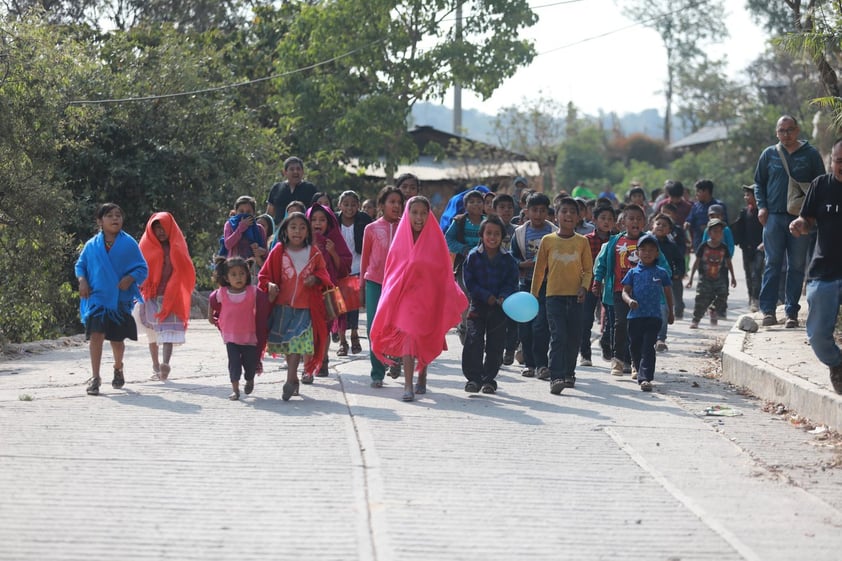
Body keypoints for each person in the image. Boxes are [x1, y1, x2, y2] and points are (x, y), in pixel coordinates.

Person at [370, 196, 467, 401]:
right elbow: (392, 271)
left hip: (428, 297)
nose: (419, 217)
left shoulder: (436, 239)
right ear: (407, 213)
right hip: (405, 298)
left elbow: (443, 271)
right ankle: (408, 385)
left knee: (423, 336)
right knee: (409, 335)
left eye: (423, 213)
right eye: (414, 212)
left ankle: (422, 375)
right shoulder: (400, 240)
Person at [754, 115, 826, 328]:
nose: (786, 134)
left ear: (797, 130)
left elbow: (820, 184)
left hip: (800, 218)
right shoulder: (769, 154)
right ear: (777, 133)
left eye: (790, 130)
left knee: (796, 265)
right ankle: (767, 310)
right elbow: (758, 183)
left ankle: (792, 312)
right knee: (772, 263)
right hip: (774, 217)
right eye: (781, 130)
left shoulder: (811, 154)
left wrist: (812, 215)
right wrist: (762, 206)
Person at [75, 203, 148, 396]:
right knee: (96, 336)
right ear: (100, 221)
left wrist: (130, 278)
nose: (115, 219)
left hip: (119, 300)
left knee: (116, 340)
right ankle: (95, 377)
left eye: (118, 215)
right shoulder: (91, 245)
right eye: (110, 216)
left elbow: (142, 268)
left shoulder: (129, 243)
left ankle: (118, 367)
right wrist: (82, 281)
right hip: (97, 299)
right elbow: (80, 266)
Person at [258, 212, 332, 400]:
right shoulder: (278, 251)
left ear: (308, 231)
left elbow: (324, 274)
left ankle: (290, 380)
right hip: (282, 307)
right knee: (285, 343)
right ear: (285, 230)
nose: (297, 231)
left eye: (302, 227)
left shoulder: (314, 253)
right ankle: (295, 381)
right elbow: (264, 275)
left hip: (306, 308)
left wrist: (315, 278)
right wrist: (270, 286)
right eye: (293, 227)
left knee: (294, 344)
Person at [789, 138, 842, 393]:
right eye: (838, 160)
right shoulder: (821, 185)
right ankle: (837, 363)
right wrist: (801, 225)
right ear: (831, 161)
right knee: (818, 337)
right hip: (825, 270)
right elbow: (807, 219)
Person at [593, 204, 671, 376]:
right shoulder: (614, 242)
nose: (635, 221)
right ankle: (618, 360)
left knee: (638, 329)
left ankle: (636, 363)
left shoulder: (650, 242)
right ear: (622, 223)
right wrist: (597, 281)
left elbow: (663, 265)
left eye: (639, 219)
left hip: (644, 294)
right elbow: (602, 264)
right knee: (620, 325)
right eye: (631, 218)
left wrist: (664, 279)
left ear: (644, 222)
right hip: (620, 291)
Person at [531, 197, 593, 394]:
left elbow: (588, 270)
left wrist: (584, 287)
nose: (568, 215)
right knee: (558, 336)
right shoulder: (547, 241)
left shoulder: (582, 242)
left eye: (572, 212)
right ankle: (556, 376)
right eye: (564, 211)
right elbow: (539, 270)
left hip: (576, 298)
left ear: (578, 217)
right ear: (556, 216)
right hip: (553, 297)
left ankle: (569, 373)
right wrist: (533, 295)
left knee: (573, 337)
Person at [135, 212, 196, 381]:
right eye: (157, 229)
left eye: (164, 228)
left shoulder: (177, 246)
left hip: (172, 296)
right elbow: (139, 269)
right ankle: (156, 366)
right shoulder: (145, 246)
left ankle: (165, 364)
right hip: (152, 295)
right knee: (152, 333)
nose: (161, 232)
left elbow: (185, 267)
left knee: (169, 330)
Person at [461, 216, 519, 394]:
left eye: (496, 234)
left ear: (503, 237)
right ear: (481, 235)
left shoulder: (508, 260)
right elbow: (469, 283)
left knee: (496, 344)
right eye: (488, 233)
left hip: (500, 309)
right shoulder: (473, 257)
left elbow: (511, 282)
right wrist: (487, 297)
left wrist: (502, 296)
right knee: (473, 340)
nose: (492, 237)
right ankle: (473, 378)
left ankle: (488, 379)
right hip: (478, 306)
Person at [360, 186, 405, 387]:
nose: (396, 206)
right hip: (374, 283)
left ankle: (395, 359)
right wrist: (362, 285)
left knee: (396, 325)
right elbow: (365, 259)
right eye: (391, 202)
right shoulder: (371, 229)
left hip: (398, 284)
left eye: (399, 202)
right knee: (373, 328)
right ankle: (377, 372)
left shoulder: (406, 228)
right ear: (382, 205)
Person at [208, 257, 271, 400]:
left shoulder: (252, 291)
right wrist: (210, 317)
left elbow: (265, 301)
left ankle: (250, 379)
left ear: (247, 275)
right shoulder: (222, 292)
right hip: (231, 337)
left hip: (249, 337)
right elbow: (212, 300)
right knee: (234, 363)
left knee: (250, 364)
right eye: (234, 274)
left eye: (242, 273)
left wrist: (272, 291)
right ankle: (235, 390)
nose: (238, 277)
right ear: (226, 277)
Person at [511, 193, 557, 379]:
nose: (538, 214)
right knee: (525, 325)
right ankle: (529, 363)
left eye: (542, 211)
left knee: (541, 325)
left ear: (548, 212)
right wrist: (522, 265)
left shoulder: (554, 232)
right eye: (534, 210)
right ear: (527, 211)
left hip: (547, 284)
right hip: (526, 284)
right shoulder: (520, 233)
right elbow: (512, 257)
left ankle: (541, 364)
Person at [621, 234, 674, 392]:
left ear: (657, 253)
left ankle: (645, 378)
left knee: (647, 347)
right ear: (637, 253)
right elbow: (624, 291)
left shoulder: (661, 273)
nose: (647, 253)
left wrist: (671, 312)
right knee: (635, 346)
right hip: (635, 317)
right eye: (643, 249)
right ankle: (638, 369)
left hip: (653, 317)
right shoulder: (632, 273)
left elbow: (668, 293)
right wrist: (629, 301)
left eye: (651, 250)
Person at [307, 203, 352, 375]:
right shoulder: (303, 240)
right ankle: (311, 360)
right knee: (309, 327)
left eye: (322, 220)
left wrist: (333, 252)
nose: (318, 223)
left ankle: (323, 359)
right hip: (308, 290)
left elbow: (344, 268)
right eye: (314, 220)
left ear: (329, 222)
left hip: (329, 290)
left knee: (325, 327)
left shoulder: (334, 239)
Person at [336, 190, 372, 356]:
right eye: (346, 204)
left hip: (357, 267)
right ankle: (342, 340)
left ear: (358, 206)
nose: (349, 208)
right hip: (339, 268)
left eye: (353, 204)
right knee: (340, 307)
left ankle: (355, 335)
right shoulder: (334, 221)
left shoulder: (363, 220)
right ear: (340, 205)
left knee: (354, 306)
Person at [686, 219, 737, 329]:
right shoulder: (704, 246)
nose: (718, 234)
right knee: (701, 299)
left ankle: (713, 309)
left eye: (720, 231)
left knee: (723, 294)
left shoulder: (724, 247)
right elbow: (696, 262)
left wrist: (733, 277)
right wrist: (691, 279)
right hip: (704, 278)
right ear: (709, 233)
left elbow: (728, 262)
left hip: (718, 277)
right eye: (715, 231)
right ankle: (696, 320)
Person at [581, 205, 615, 366]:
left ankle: (606, 343)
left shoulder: (616, 240)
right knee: (586, 319)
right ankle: (585, 354)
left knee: (611, 318)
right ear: (594, 220)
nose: (606, 222)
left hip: (610, 285)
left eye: (610, 219)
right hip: (589, 284)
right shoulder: (586, 240)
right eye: (603, 218)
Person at [650, 214, 683, 352]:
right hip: (646, 282)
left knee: (664, 310)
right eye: (658, 224)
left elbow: (680, 260)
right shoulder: (645, 242)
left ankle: (661, 338)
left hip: (664, 283)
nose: (660, 227)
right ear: (652, 226)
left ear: (669, 230)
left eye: (664, 225)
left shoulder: (671, 246)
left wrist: (678, 273)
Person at [492, 194, 519, 365]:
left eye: (509, 207)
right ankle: (495, 349)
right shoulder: (488, 229)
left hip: (512, 280)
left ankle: (510, 350)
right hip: (492, 280)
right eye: (502, 207)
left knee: (512, 316)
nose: (506, 210)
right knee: (494, 318)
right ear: (494, 210)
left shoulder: (518, 231)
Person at [732, 185, 765, 312]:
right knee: (748, 275)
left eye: (748, 195)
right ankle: (751, 297)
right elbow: (738, 229)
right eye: (745, 195)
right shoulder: (745, 212)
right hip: (747, 249)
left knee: (756, 273)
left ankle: (756, 299)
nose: (746, 197)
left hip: (760, 248)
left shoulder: (764, 212)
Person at [265, 156, 318, 225]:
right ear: (285, 172)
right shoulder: (277, 188)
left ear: (302, 172)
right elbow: (269, 214)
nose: (295, 172)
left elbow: (316, 212)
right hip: (279, 230)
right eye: (292, 169)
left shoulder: (310, 188)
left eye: (298, 169)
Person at [221, 195, 267, 265]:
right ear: (236, 212)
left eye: (248, 212)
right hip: (234, 266)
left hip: (253, 268)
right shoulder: (229, 225)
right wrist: (241, 228)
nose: (245, 215)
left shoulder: (259, 229)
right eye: (241, 211)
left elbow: (266, 252)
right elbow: (228, 244)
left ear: (253, 214)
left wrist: (262, 251)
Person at [684, 179, 727, 253]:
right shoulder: (695, 206)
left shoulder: (719, 206)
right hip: (699, 243)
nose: (696, 194)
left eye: (698, 191)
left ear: (706, 191)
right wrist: (687, 223)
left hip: (716, 245)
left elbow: (725, 224)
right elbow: (690, 219)